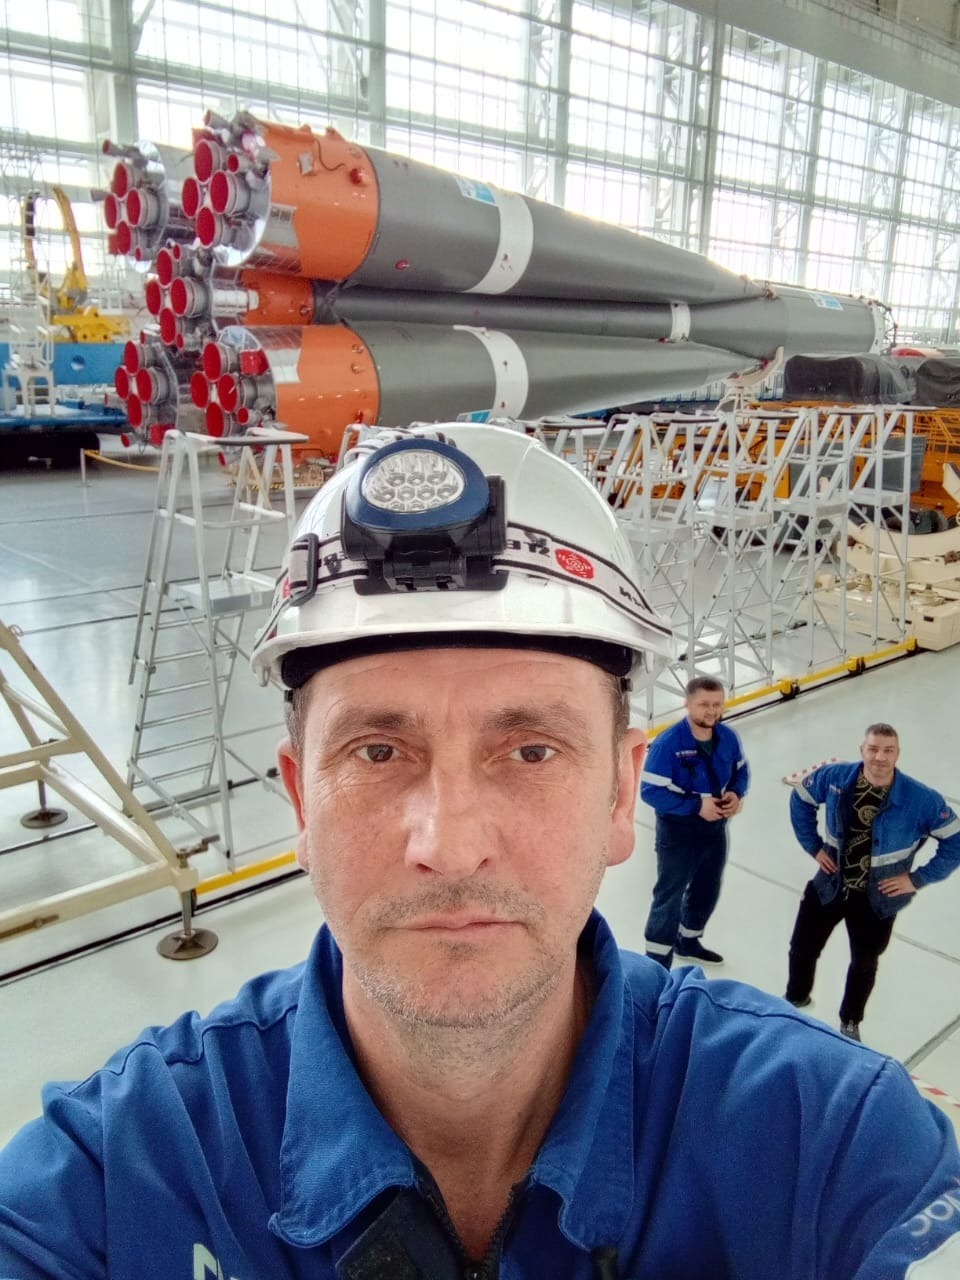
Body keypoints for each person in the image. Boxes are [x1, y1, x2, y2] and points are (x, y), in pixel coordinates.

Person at [0, 425, 959, 1280]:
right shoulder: (116, 1176)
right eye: (377, 753)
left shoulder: (827, 1138)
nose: (449, 845)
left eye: (531, 751)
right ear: (301, 802)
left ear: (620, 794)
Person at [785, 722, 960, 1042]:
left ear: (898, 754)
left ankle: (850, 1020)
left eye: (888, 750)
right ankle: (795, 999)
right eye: (873, 749)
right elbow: (801, 797)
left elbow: (955, 840)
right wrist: (813, 846)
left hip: (878, 897)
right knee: (801, 947)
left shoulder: (921, 799)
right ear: (862, 750)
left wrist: (918, 879)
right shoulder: (835, 777)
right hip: (830, 884)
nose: (880, 757)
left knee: (864, 964)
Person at [639, 675, 749, 968]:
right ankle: (656, 964)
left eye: (717, 704)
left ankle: (688, 941)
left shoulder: (728, 737)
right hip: (678, 832)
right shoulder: (668, 744)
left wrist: (737, 793)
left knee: (707, 887)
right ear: (687, 704)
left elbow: (741, 771)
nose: (711, 711)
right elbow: (650, 792)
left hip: (715, 828)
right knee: (670, 895)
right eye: (704, 704)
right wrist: (696, 806)